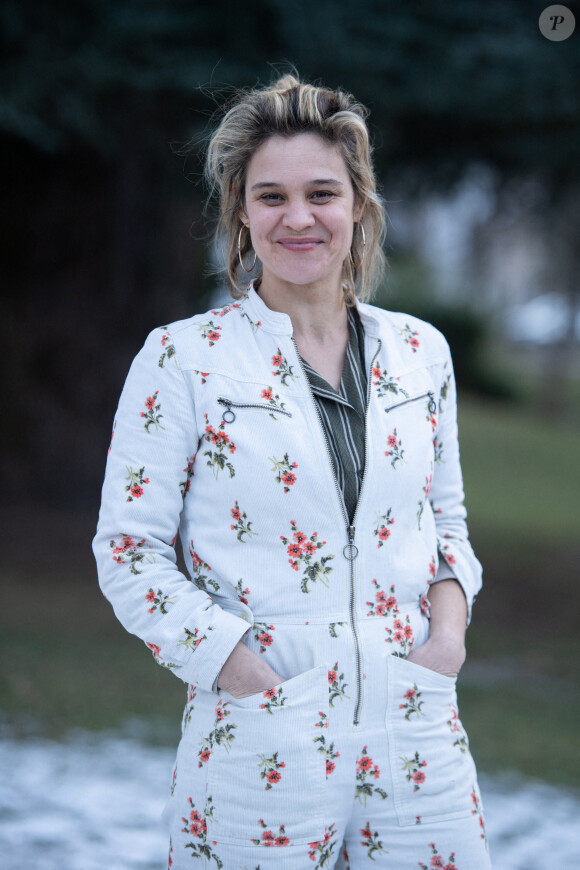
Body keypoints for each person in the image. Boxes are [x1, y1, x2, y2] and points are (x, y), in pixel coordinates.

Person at [93, 74, 491, 869]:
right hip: (261, 731)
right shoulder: (183, 359)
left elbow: (447, 525)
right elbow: (128, 552)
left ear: (359, 206)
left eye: (322, 193)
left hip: (415, 726)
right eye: (271, 196)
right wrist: (239, 669)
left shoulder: (422, 352)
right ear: (241, 212)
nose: (299, 218)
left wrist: (445, 640)